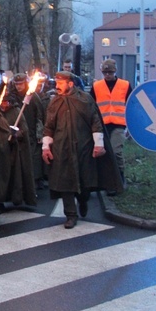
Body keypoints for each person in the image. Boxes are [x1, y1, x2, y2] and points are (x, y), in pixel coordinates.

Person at [42, 71, 123, 229]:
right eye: (56, 82)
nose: (56, 85)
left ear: (70, 84)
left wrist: (98, 144)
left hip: (83, 147)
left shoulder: (85, 100)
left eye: (60, 82)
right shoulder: (54, 102)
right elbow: (49, 126)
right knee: (65, 182)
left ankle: (83, 199)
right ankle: (71, 215)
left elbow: (95, 122)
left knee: (85, 180)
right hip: (61, 148)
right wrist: (46, 147)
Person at [90, 59, 132, 195]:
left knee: (115, 152)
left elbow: (132, 105)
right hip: (102, 125)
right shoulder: (97, 86)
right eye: (105, 72)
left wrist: (131, 127)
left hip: (119, 124)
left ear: (115, 72)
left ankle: (120, 179)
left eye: (110, 72)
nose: (107, 75)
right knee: (104, 155)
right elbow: (91, 106)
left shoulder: (125, 85)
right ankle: (109, 183)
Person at [7, 73, 46, 191]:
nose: (19, 86)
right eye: (17, 84)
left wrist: (40, 132)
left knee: (33, 156)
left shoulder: (32, 96)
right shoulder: (11, 97)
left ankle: (35, 180)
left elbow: (39, 114)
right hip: (15, 129)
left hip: (31, 129)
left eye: (21, 84)